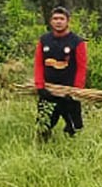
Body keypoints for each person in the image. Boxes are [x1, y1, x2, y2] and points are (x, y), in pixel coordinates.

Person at [33, 7, 87, 141]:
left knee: (75, 128)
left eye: (61, 19)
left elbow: (82, 67)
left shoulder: (77, 42)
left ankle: (74, 147)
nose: (58, 22)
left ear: (68, 21)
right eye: (55, 19)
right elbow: (38, 64)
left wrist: (75, 90)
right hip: (48, 90)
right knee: (43, 126)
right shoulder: (44, 40)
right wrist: (40, 86)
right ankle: (43, 147)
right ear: (50, 21)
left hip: (68, 92)